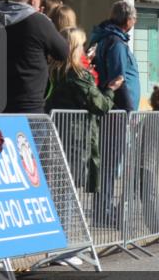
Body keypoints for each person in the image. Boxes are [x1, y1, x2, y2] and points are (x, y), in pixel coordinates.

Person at [46, 27, 124, 196]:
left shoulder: (53, 69)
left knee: (60, 185)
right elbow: (100, 105)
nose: (83, 49)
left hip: (56, 131)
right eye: (81, 45)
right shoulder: (78, 74)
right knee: (68, 188)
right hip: (75, 136)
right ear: (75, 48)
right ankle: (64, 222)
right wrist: (111, 89)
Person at [0, 0, 68, 113]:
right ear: (33, 0)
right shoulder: (39, 22)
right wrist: (46, 22)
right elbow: (63, 52)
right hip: (28, 105)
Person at [89, 0, 141, 112]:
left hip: (115, 107)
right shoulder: (116, 42)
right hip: (119, 110)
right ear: (127, 21)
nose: (135, 21)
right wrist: (128, 110)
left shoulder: (107, 38)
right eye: (134, 18)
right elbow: (118, 80)